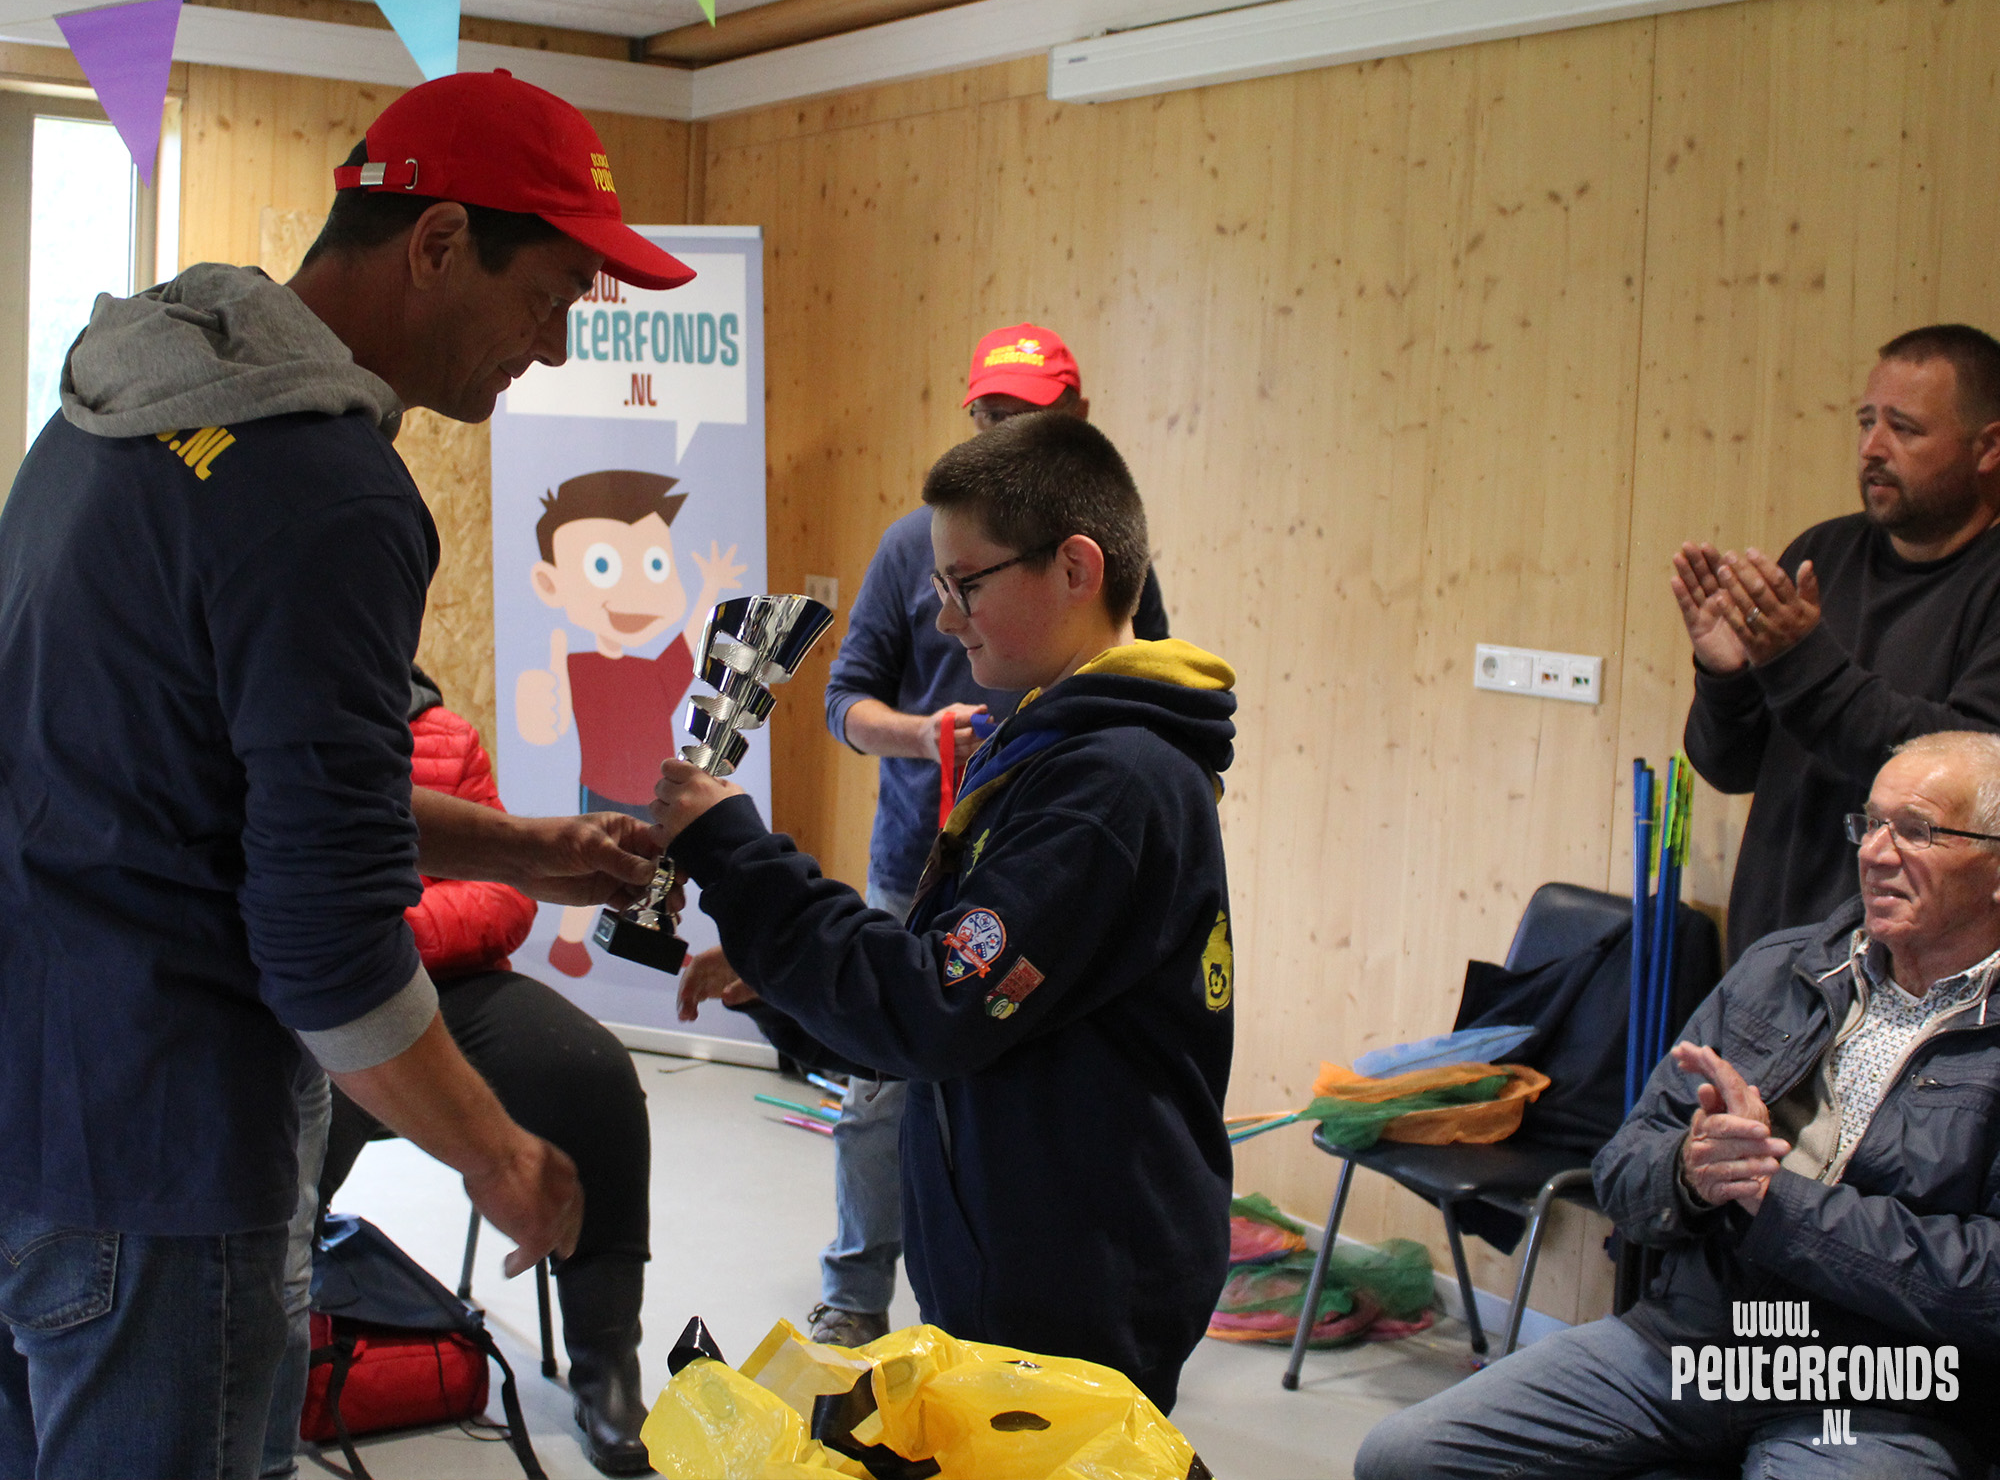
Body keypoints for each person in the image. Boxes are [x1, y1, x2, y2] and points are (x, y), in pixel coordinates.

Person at [0, 70, 688, 1478]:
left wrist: (524, 849)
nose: (555, 347)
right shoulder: (326, 491)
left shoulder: (113, 412)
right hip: (164, 1160)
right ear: (438, 241)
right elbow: (322, 940)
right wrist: (498, 1154)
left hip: (35, 1104)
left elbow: (206, 789)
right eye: (549, 298)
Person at [665, 411, 1235, 1412]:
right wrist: (783, 984)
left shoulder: (1109, 788)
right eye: (937, 588)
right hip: (1018, 1251)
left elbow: (935, 1008)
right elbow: (958, 994)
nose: (942, 620)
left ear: (1074, 569)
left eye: (965, 586)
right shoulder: (1056, 751)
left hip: (1074, 1289)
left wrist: (737, 855)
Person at [1356, 730, 2000, 1479]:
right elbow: (1624, 1168)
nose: (1876, 853)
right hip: (1691, 1343)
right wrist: (1691, 1173)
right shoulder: (1782, 968)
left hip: (1881, 1391)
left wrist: (1778, 1204)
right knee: (1403, 1458)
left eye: (1917, 830)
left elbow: (1987, 1283)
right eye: (1872, 823)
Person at [311, 668, 656, 1473]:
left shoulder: (448, 737)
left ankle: (607, 1368)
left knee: (594, 1075)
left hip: (455, 987)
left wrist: (397, 932)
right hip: (332, 997)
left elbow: (506, 898)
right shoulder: (293, 726)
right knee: (297, 1111)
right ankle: (280, 1342)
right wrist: (377, 941)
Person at [1675, 324, 2000, 961]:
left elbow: (1965, 779)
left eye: (1905, 429)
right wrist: (1725, 679)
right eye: (1866, 421)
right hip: (1773, 951)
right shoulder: (1821, 552)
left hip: (1914, 970)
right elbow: (1728, 766)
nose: (1872, 448)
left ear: (1988, 447)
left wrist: (1802, 664)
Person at [514, 468, 745, 977]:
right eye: (602, 565)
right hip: (602, 787)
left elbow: (689, 645)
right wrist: (535, 703)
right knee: (592, 865)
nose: (637, 589)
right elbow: (545, 721)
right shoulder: (575, 664)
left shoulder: (651, 672)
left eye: (656, 564)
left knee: (658, 869)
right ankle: (569, 941)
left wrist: (710, 587)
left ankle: (653, 931)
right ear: (550, 583)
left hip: (655, 790)